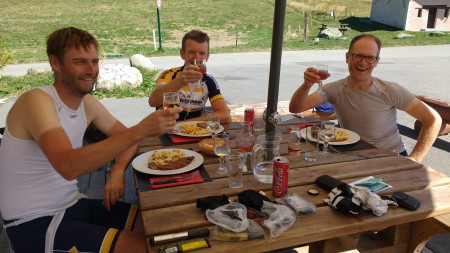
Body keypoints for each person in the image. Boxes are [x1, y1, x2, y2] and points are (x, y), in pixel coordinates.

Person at [0, 27, 182, 253]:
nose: (91, 70)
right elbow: (68, 165)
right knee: (145, 248)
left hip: (72, 204)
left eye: (94, 61)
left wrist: (118, 170)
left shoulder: (86, 103)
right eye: (80, 62)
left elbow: (127, 139)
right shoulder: (36, 101)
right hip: (34, 224)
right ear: (55, 63)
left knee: (159, 224)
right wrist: (140, 131)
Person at [289, 34, 441, 163]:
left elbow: (433, 120)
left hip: (390, 158)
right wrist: (307, 84)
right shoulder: (334, 89)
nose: (363, 62)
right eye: (358, 56)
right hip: (349, 156)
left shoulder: (390, 90)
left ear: (376, 62)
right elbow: (296, 108)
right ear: (348, 57)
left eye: (369, 58)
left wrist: (415, 159)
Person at [148, 29, 230, 123]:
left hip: (193, 132)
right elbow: (153, 101)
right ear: (182, 54)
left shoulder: (208, 80)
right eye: (192, 52)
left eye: (202, 53)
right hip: (167, 131)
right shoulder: (170, 74)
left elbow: (225, 115)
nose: (197, 57)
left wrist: (185, 124)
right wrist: (181, 81)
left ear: (207, 56)